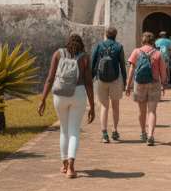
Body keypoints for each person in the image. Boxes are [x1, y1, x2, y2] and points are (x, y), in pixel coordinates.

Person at [38, 33, 95, 178]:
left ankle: (64, 165)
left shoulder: (58, 54)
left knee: (64, 130)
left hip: (60, 95)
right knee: (74, 131)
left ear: (68, 43)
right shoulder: (84, 58)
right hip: (79, 93)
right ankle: (71, 167)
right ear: (81, 44)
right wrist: (92, 106)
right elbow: (89, 83)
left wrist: (43, 99)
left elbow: (50, 78)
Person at [125, 32, 167, 146]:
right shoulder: (158, 53)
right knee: (152, 111)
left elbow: (131, 69)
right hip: (154, 83)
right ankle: (150, 136)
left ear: (143, 40)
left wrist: (128, 85)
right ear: (153, 41)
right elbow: (163, 71)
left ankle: (143, 132)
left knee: (141, 111)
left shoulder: (136, 52)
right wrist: (163, 84)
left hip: (139, 83)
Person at [91, 26, 126, 143]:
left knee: (104, 106)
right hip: (115, 79)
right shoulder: (119, 47)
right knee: (115, 107)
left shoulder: (99, 45)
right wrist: (125, 82)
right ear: (115, 35)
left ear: (106, 35)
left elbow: (93, 62)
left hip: (101, 79)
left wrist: (90, 78)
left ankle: (104, 134)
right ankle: (115, 131)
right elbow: (122, 65)